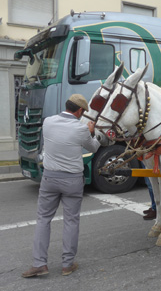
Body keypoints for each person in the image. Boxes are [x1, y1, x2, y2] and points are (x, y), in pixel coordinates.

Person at [22, 94, 100, 278]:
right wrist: (91, 132)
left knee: (43, 219)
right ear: (80, 111)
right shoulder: (81, 128)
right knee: (71, 221)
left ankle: (39, 264)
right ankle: (67, 264)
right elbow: (94, 147)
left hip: (49, 178)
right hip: (72, 180)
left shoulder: (48, 122)